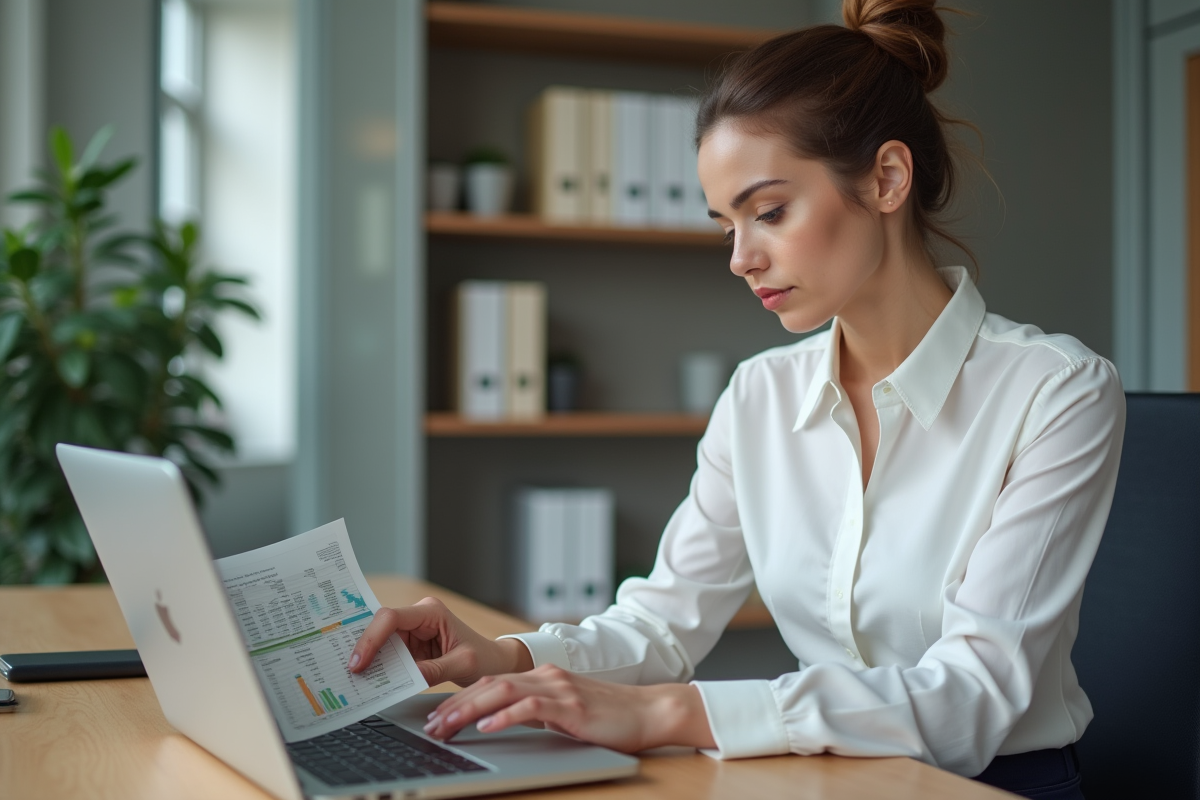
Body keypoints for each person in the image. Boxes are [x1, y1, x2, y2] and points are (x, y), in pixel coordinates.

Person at [350, 2, 1123, 797]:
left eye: (770, 212)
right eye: (727, 226)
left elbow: (974, 698)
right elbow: (661, 625)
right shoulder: (759, 395)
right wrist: (504, 655)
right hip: (833, 779)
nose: (740, 258)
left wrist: (667, 713)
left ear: (888, 178)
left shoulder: (1056, 393)